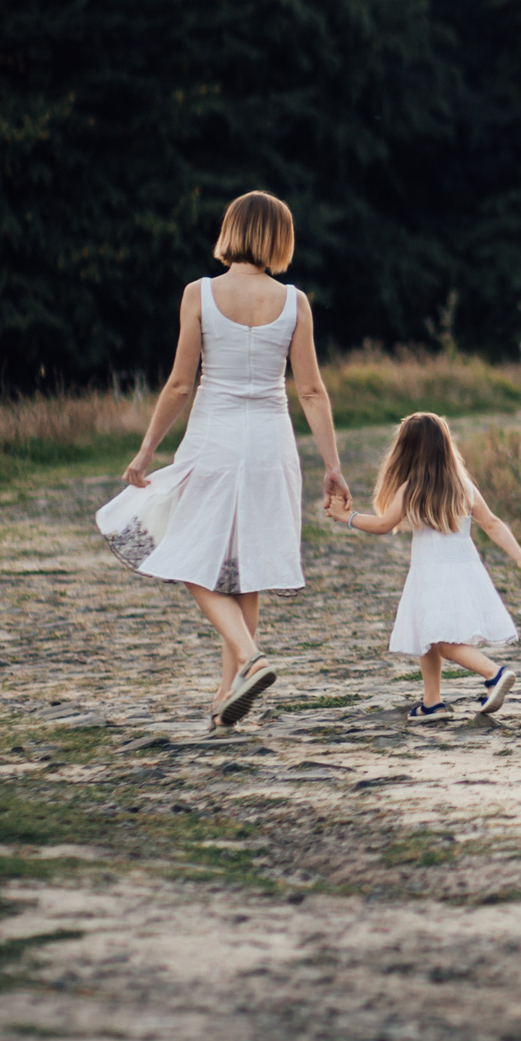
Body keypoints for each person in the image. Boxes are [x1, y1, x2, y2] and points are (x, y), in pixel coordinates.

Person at [99, 191, 348, 730]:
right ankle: (226, 696)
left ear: (231, 231)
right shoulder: (295, 302)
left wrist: (146, 450)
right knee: (244, 564)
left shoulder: (200, 294)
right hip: (271, 444)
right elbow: (311, 392)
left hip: (214, 439)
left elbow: (180, 383)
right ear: (279, 239)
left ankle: (250, 659)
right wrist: (332, 465)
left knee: (189, 553)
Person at [324, 411, 521, 719]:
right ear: (445, 446)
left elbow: (384, 524)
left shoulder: (411, 487)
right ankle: (432, 702)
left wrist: (345, 516)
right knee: (427, 633)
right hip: (465, 570)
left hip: (431, 573)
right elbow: (492, 524)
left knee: (442, 640)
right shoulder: (464, 486)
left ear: (408, 449)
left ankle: (494, 673)